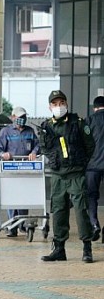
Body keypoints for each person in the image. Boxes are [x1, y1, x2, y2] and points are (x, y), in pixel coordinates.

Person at [39, 90, 98, 263]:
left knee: (81, 211)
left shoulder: (78, 123)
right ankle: (59, 249)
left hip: (76, 174)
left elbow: (90, 146)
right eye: (55, 104)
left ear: (66, 103)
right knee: (58, 211)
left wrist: (81, 164)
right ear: (50, 107)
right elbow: (45, 148)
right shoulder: (46, 127)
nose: (59, 106)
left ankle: (87, 248)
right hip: (57, 176)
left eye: (61, 103)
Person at [0, 106, 40, 237]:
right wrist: (3, 154)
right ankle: (11, 226)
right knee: (12, 198)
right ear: (13, 117)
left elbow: (38, 145)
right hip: (10, 170)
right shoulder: (6, 132)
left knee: (24, 197)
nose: (22, 120)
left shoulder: (30, 131)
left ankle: (22, 225)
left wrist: (34, 152)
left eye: (24, 117)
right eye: (20, 117)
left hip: (25, 169)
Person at [87, 96, 104, 241]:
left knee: (91, 196)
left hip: (92, 166)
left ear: (95, 107)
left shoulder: (89, 121)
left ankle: (94, 224)